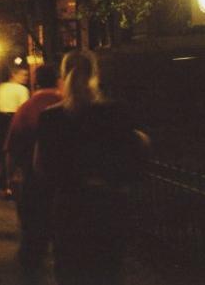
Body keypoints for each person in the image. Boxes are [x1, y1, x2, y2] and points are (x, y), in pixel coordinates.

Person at [34, 51, 149, 285]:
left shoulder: (50, 118)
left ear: (62, 77)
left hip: (69, 208)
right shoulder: (115, 112)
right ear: (96, 75)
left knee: (70, 272)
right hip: (108, 207)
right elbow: (134, 159)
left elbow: (41, 167)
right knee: (107, 271)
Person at [2, 64, 62, 280]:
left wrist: (9, 177)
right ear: (58, 81)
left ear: (36, 83)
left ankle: (32, 271)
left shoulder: (26, 109)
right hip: (65, 184)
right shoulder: (68, 104)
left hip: (34, 180)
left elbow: (12, 148)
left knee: (33, 232)